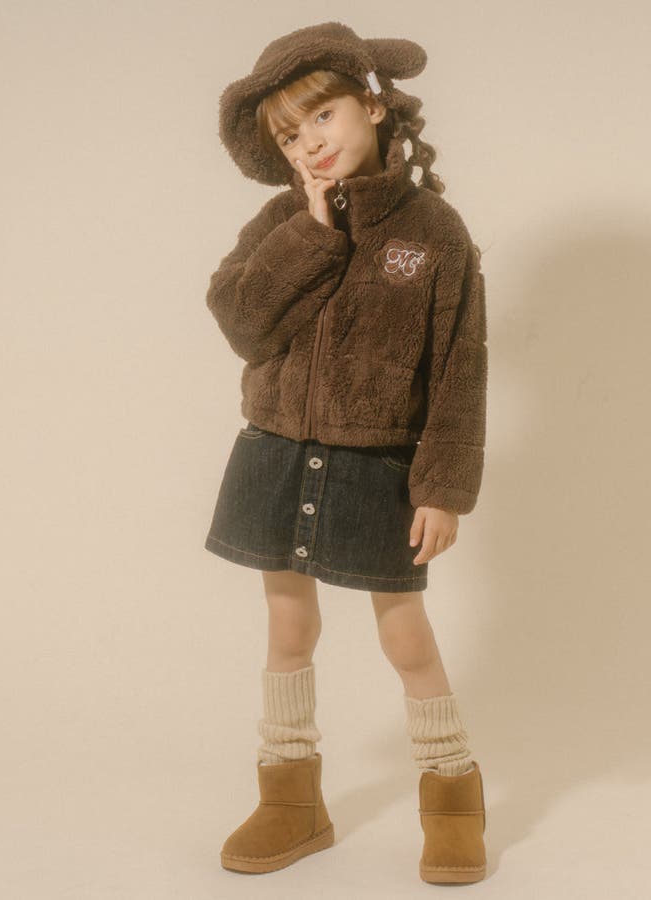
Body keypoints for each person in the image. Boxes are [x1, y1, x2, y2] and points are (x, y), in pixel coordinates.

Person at [204, 22, 488, 884]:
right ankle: (292, 800)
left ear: (373, 105)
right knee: (288, 627)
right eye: (291, 136)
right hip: (275, 452)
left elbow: (458, 367)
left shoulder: (434, 231)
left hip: (377, 468)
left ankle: (452, 794)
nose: (311, 143)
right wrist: (314, 229)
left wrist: (441, 488)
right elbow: (242, 323)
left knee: (406, 639)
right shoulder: (282, 219)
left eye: (322, 116)